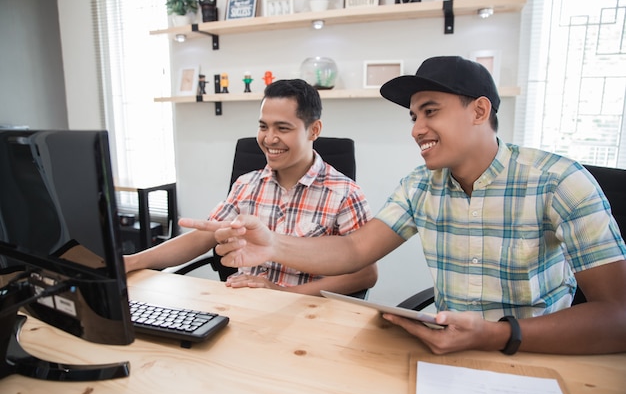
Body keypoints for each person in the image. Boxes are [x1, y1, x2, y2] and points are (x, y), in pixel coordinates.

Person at [187, 56, 626, 355]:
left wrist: (493, 336)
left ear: (479, 111)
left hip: (534, 354)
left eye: (430, 111)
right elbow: (356, 251)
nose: (417, 129)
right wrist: (274, 244)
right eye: (413, 116)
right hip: (447, 354)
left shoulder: (559, 181)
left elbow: (618, 316)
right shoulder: (420, 185)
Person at [125, 79, 377, 296]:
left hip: (306, 314)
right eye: (263, 126)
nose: (269, 139)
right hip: (244, 307)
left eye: (283, 128)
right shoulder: (246, 184)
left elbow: (365, 275)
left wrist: (283, 293)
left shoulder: (345, 193)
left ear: (314, 130)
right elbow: (204, 237)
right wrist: (132, 261)